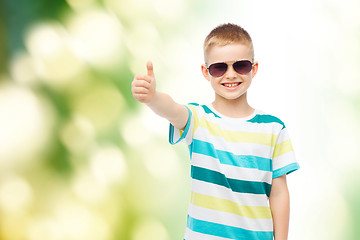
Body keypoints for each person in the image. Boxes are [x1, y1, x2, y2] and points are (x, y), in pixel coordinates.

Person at [131, 23, 299, 240]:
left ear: (254, 69)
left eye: (241, 66)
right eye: (219, 68)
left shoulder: (274, 128)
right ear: (206, 72)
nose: (230, 75)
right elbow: (172, 109)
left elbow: (279, 194)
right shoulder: (198, 120)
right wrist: (153, 98)